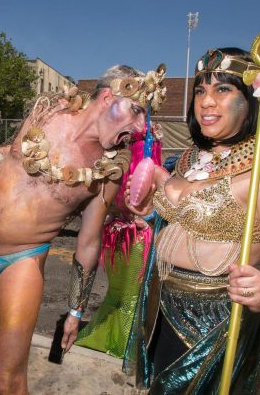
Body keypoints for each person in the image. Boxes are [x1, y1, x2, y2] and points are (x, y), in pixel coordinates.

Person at [123, 48, 260, 393]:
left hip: (218, 319)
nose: (206, 101)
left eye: (223, 90)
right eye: (201, 91)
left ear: (251, 99)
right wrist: (150, 214)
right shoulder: (188, 158)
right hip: (160, 304)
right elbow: (179, 221)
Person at [0, 64, 164, 394]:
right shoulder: (48, 109)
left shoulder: (109, 169)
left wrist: (75, 310)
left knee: (7, 378)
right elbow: (9, 155)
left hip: (21, 262)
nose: (141, 126)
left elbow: (88, 243)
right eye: (136, 110)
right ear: (107, 96)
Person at [74, 124, 163, 358]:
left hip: (122, 233)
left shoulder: (126, 162)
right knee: (127, 295)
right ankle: (125, 342)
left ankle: (121, 337)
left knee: (122, 294)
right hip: (130, 236)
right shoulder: (139, 162)